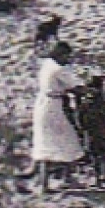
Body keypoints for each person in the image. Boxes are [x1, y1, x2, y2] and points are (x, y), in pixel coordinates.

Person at [30, 41, 85, 193]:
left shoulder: (47, 64)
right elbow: (76, 88)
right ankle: (65, 179)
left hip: (43, 104)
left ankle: (45, 183)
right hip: (54, 107)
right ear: (60, 55)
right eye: (66, 56)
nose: (68, 59)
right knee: (67, 140)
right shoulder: (59, 70)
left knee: (46, 144)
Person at [74, 75, 105, 186]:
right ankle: (101, 178)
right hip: (96, 133)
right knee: (99, 156)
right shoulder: (101, 104)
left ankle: (101, 178)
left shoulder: (93, 105)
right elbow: (79, 118)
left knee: (99, 156)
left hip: (97, 133)